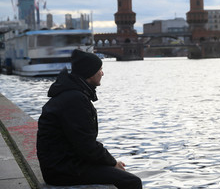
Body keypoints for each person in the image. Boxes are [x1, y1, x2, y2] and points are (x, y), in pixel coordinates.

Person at [36, 49, 142, 189]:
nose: (102, 73)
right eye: (100, 69)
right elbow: (87, 146)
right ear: (90, 73)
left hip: (62, 164)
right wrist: (112, 163)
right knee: (132, 182)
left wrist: (109, 163)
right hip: (62, 170)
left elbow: (83, 144)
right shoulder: (75, 99)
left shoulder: (72, 94)